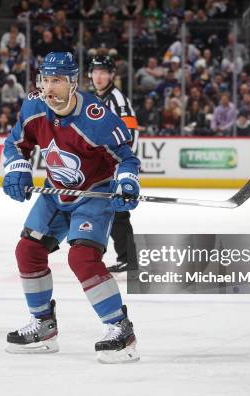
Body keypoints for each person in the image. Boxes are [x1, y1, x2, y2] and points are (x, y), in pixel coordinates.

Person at [2, 52, 141, 363]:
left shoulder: (98, 119)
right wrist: (17, 168)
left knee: (82, 257)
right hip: (55, 193)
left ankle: (121, 330)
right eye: (45, 80)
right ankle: (43, 327)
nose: (49, 88)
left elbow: (126, 158)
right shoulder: (34, 106)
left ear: (73, 83)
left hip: (92, 194)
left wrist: (127, 182)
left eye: (57, 81)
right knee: (27, 251)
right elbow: (16, 142)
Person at [89, 55, 139, 273]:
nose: (98, 77)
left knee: (118, 212)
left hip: (115, 167)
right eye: (95, 72)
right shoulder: (95, 100)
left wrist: (123, 168)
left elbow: (131, 135)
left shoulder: (118, 100)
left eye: (103, 72)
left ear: (112, 75)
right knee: (99, 210)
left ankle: (128, 258)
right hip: (100, 167)